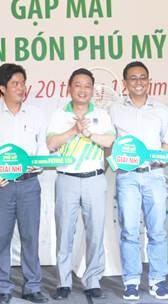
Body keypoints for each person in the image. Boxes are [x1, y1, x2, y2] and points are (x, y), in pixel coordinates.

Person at [0, 63, 49, 304]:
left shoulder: (36, 114)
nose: (21, 88)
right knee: (2, 237)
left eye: (23, 83)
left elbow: (42, 146)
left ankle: (32, 286)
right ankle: (3, 287)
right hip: (3, 186)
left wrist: (37, 164)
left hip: (29, 184)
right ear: (2, 88)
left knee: (30, 236)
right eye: (15, 84)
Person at [46, 68, 115, 300]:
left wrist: (88, 134)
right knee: (64, 232)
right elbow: (51, 143)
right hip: (67, 179)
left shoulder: (101, 115)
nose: (83, 90)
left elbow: (110, 141)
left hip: (94, 179)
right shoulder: (59, 115)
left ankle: (93, 279)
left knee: (95, 232)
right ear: (70, 88)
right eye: (78, 85)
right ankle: (63, 281)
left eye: (87, 86)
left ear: (92, 90)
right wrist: (74, 130)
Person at [109, 61, 168, 301]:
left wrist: (159, 161)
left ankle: (158, 281)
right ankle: (131, 282)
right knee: (129, 230)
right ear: (124, 83)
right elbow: (110, 144)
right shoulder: (115, 110)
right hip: (127, 176)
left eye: (143, 77)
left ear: (149, 81)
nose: (138, 82)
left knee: (157, 231)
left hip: (154, 175)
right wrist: (118, 160)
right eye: (133, 78)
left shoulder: (161, 109)